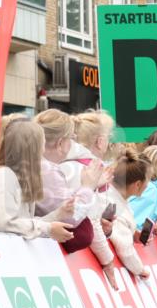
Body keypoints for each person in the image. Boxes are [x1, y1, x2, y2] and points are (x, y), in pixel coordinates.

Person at [0, 119, 75, 243]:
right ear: (32, 149)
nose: (43, 151)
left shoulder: (16, 177)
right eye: (41, 145)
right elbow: (3, 223)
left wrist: (58, 214)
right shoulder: (2, 175)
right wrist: (48, 228)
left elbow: (21, 225)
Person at [35, 109, 109, 256]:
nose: (73, 144)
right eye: (71, 139)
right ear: (61, 142)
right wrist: (88, 186)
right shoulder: (46, 170)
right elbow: (71, 217)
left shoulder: (39, 165)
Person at [106, 149, 153, 280]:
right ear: (138, 184)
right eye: (148, 180)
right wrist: (140, 270)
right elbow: (125, 250)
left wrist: (133, 235)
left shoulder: (112, 195)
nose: (148, 185)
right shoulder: (116, 208)